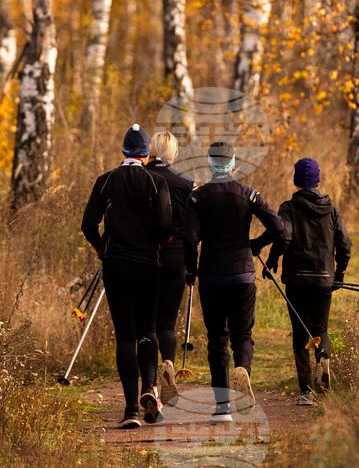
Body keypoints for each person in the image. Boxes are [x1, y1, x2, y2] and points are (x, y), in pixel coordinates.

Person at [81, 124, 173, 428]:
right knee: (148, 331)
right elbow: (165, 229)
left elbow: (88, 225)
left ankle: (132, 409)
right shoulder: (157, 182)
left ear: (124, 152)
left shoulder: (105, 181)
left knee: (125, 337)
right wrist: (161, 241)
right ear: (146, 155)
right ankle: (150, 388)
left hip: (116, 266)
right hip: (148, 266)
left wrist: (101, 248)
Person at [184, 141, 283, 422]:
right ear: (233, 162)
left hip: (212, 277)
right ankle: (243, 372)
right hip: (242, 275)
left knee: (217, 339)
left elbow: (190, 238)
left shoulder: (197, 198)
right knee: (242, 335)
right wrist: (255, 244)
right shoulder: (248, 194)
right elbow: (278, 226)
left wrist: (191, 270)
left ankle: (222, 407)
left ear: (209, 163)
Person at [263, 157, 352, 406]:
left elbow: (284, 237)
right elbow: (345, 243)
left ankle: (306, 391)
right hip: (324, 279)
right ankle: (323, 360)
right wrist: (340, 273)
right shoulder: (331, 209)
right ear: (317, 180)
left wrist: (272, 260)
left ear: (296, 181)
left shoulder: (288, 208)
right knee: (320, 329)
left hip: (297, 280)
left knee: (300, 332)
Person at [145, 131, 196, 406]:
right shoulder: (187, 183)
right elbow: (194, 227)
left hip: (145, 256)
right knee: (167, 323)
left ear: (151, 150)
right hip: (177, 256)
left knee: (147, 325)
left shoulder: (141, 178)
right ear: (173, 153)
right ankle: (168, 363)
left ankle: (151, 387)